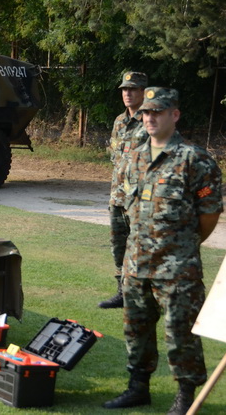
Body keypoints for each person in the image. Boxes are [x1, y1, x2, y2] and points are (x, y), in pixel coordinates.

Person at [103, 87, 223, 415]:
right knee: (136, 327)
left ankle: (185, 395)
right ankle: (137, 387)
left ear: (175, 115)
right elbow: (124, 210)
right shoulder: (132, 158)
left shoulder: (194, 159)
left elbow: (209, 213)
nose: (150, 117)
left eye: (158, 111)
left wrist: (182, 245)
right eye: (146, 112)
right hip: (136, 262)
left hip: (177, 267)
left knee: (180, 330)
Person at [100, 71, 149, 308]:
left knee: (141, 247)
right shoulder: (119, 121)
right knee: (118, 247)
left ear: (143, 92)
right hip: (118, 197)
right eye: (124, 89)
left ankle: (143, 295)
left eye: (133, 89)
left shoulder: (151, 120)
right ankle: (122, 293)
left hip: (141, 200)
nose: (127, 93)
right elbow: (115, 156)